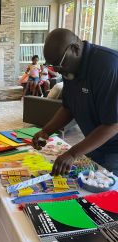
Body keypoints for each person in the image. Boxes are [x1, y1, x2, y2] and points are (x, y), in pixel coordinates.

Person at [32, 28, 118, 176]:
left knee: (108, 192)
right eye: (53, 66)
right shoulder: (69, 67)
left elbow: (113, 124)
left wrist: (72, 154)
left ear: (76, 49)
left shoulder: (107, 66)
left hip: (114, 149)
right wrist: (46, 130)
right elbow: (69, 107)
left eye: (59, 65)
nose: (57, 71)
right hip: (95, 142)